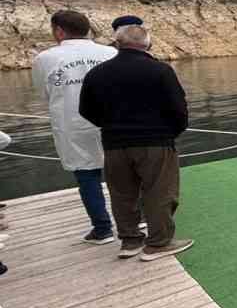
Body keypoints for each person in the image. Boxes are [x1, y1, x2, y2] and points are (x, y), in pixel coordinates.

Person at [79, 25, 193, 261]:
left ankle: (130, 241)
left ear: (117, 44)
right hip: (155, 142)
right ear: (147, 45)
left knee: (122, 194)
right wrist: (170, 132)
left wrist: (110, 125)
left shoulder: (97, 74)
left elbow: (86, 110)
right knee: (160, 192)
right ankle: (159, 242)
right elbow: (179, 110)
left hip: (114, 143)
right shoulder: (160, 71)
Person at [31, 10, 118, 245]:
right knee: (121, 171)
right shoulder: (110, 52)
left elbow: (44, 93)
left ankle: (102, 229)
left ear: (59, 30)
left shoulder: (45, 58)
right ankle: (136, 218)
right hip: (110, 120)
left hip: (72, 123)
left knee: (86, 174)